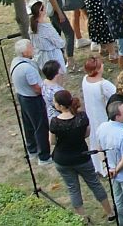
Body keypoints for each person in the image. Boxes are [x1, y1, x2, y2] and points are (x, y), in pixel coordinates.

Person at [49, 89, 115, 222]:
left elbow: (52, 141)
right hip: (82, 156)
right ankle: (110, 212)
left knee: (73, 188)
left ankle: (82, 218)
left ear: (61, 106)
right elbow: (86, 134)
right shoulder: (82, 117)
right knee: (95, 184)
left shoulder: (55, 122)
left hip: (63, 160)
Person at [10, 39, 52, 163]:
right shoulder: (27, 68)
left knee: (28, 125)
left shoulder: (15, 62)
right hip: (33, 100)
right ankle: (44, 156)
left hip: (22, 96)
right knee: (40, 126)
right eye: (30, 47)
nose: (33, 48)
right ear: (25, 52)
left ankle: (32, 149)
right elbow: (37, 89)